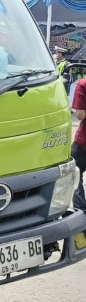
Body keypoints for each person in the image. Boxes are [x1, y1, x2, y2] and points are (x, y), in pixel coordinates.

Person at [71, 77, 86, 212]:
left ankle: (81, 212)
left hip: (84, 143)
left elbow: (80, 115)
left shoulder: (83, 84)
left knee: (74, 174)